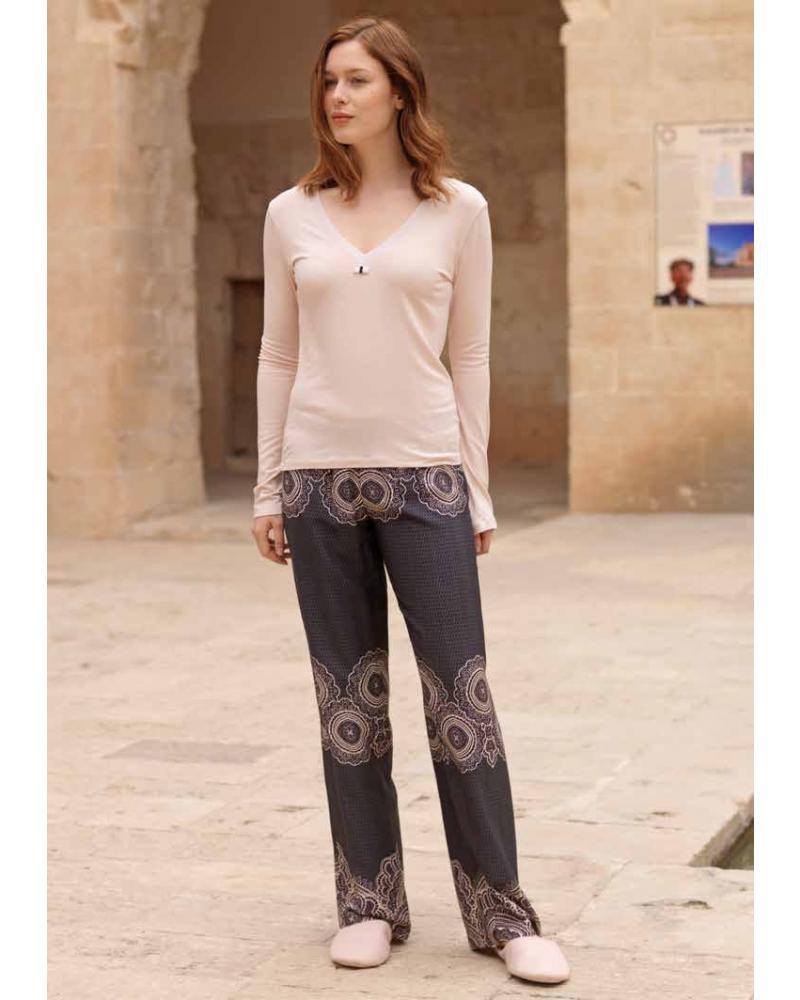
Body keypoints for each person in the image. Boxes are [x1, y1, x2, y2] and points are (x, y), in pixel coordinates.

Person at [250, 14, 569, 987]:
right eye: (328, 81)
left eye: (355, 79)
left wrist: (475, 489)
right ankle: (368, 902)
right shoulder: (290, 213)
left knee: (460, 699)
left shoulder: (457, 210)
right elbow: (278, 354)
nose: (337, 96)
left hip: (426, 476)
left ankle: (502, 913)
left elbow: (469, 354)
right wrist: (268, 484)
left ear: (399, 90)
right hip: (317, 482)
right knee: (347, 705)